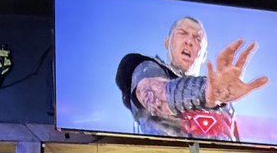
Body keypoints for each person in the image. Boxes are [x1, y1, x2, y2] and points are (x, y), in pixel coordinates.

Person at [114, 16, 269, 141]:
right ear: (167, 42)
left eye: (197, 38)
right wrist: (205, 92)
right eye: (182, 33)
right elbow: (158, 94)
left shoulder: (223, 105)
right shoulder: (145, 67)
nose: (189, 41)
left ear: (204, 55)